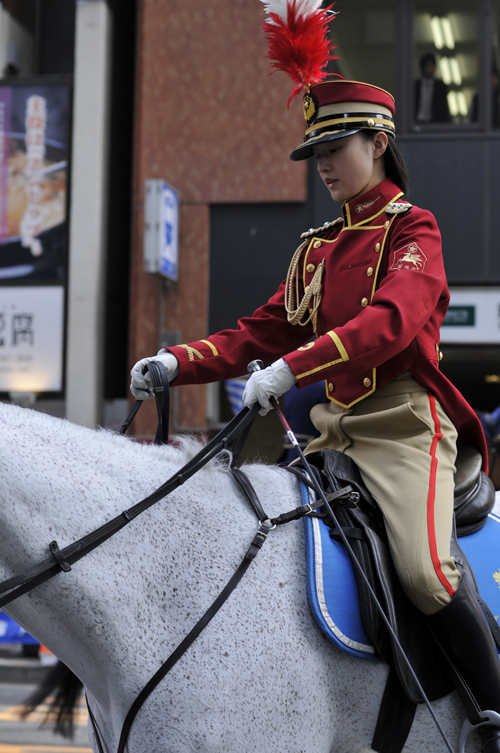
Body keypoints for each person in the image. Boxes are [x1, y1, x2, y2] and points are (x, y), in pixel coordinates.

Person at [131, 77, 500, 752]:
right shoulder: (315, 249)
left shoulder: (413, 229)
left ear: (380, 142)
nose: (323, 165)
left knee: (425, 571)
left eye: (336, 146)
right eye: (315, 153)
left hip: (403, 426)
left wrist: (293, 369)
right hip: (332, 429)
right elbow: (256, 333)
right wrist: (176, 362)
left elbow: (389, 324)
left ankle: (494, 713)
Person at [415, 52, 451, 123]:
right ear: (423, 67)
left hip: (435, 123)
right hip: (417, 122)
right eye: (428, 66)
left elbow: (444, 108)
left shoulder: (441, 87)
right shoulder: (416, 86)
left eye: (432, 66)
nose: (430, 69)